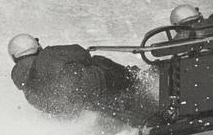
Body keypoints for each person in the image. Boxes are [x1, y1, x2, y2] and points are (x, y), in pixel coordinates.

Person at [8, 34, 153, 121]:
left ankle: (143, 119)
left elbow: (52, 108)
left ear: (15, 57)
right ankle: (137, 78)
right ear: (36, 46)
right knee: (98, 61)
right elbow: (82, 54)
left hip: (79, 104)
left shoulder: (26, 89)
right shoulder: (49, 54)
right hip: (94, 83)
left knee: (108, 105)